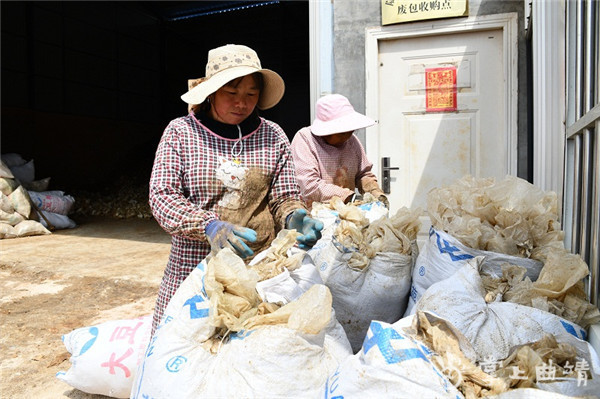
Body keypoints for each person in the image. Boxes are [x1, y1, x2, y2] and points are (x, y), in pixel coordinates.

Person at [149, 44, 323, 335]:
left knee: (251, 351)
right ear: (211, 93)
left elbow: (284, 197)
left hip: (258, 269)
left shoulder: (273, 135)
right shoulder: (181, 132)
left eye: (251, 94)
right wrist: (210, 226)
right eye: (231, 93)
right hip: (195, 268)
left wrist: (295, 217)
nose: (242, 103)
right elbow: (163, 197)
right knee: (187, 346)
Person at [290, 93, 389, 208]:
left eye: (351, 131)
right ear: (326, 130)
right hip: (313, 215)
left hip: (346, 214)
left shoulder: (352, 141)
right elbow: (309, 184)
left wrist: (374, 191)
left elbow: (363, 173)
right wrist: (348, 197)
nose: (347, 137)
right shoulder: (305, 139)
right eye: (342, 133)